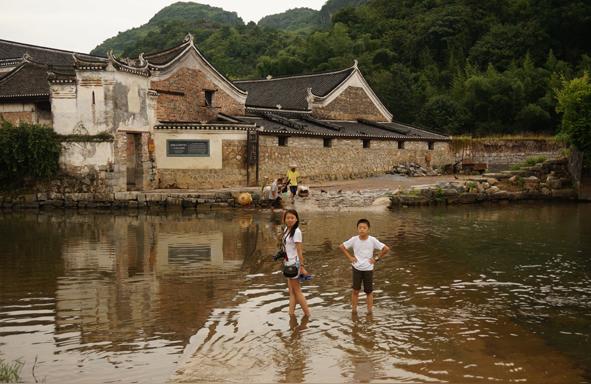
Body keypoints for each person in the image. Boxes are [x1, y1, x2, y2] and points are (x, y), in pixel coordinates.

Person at [339, 219, 390, 313]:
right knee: (355, 291)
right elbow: (342, 247)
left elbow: (386, 249)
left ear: (368, 229)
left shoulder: (372, 240)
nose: (362, 230)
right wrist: (350, 257)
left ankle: (369, 312)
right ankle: (354, 311)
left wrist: (376, 259)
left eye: (364, 228)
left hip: (368, 269)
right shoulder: (354, 239)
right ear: (357, 229)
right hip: (356, 268)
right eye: (360, 228)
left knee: (369, 292)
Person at [282, 209, 311, 316]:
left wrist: (302, 267)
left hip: (294, 264)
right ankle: (291, 314)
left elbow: (299, 250)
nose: (290, 220)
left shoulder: (297, 232)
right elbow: (288, 247)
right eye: (288, 218)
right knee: (292, 292)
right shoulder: (286, 229)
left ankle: (307, 315)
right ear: (284, 219)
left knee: (297, 291)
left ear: (296, 219)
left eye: (292, 218)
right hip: (288, 263)